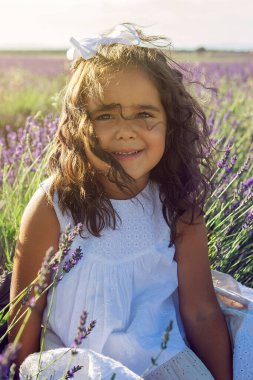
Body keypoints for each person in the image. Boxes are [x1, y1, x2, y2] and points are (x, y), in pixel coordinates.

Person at [8, 23, 239, 379]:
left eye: (144, 114)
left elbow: (201, 313)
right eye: (105, 115)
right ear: (78, 126)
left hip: (164, 366)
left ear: (170, 125)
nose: (125, 130)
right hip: (80, 368)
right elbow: (27, 313)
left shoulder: (179, 211)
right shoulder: (53, 207)